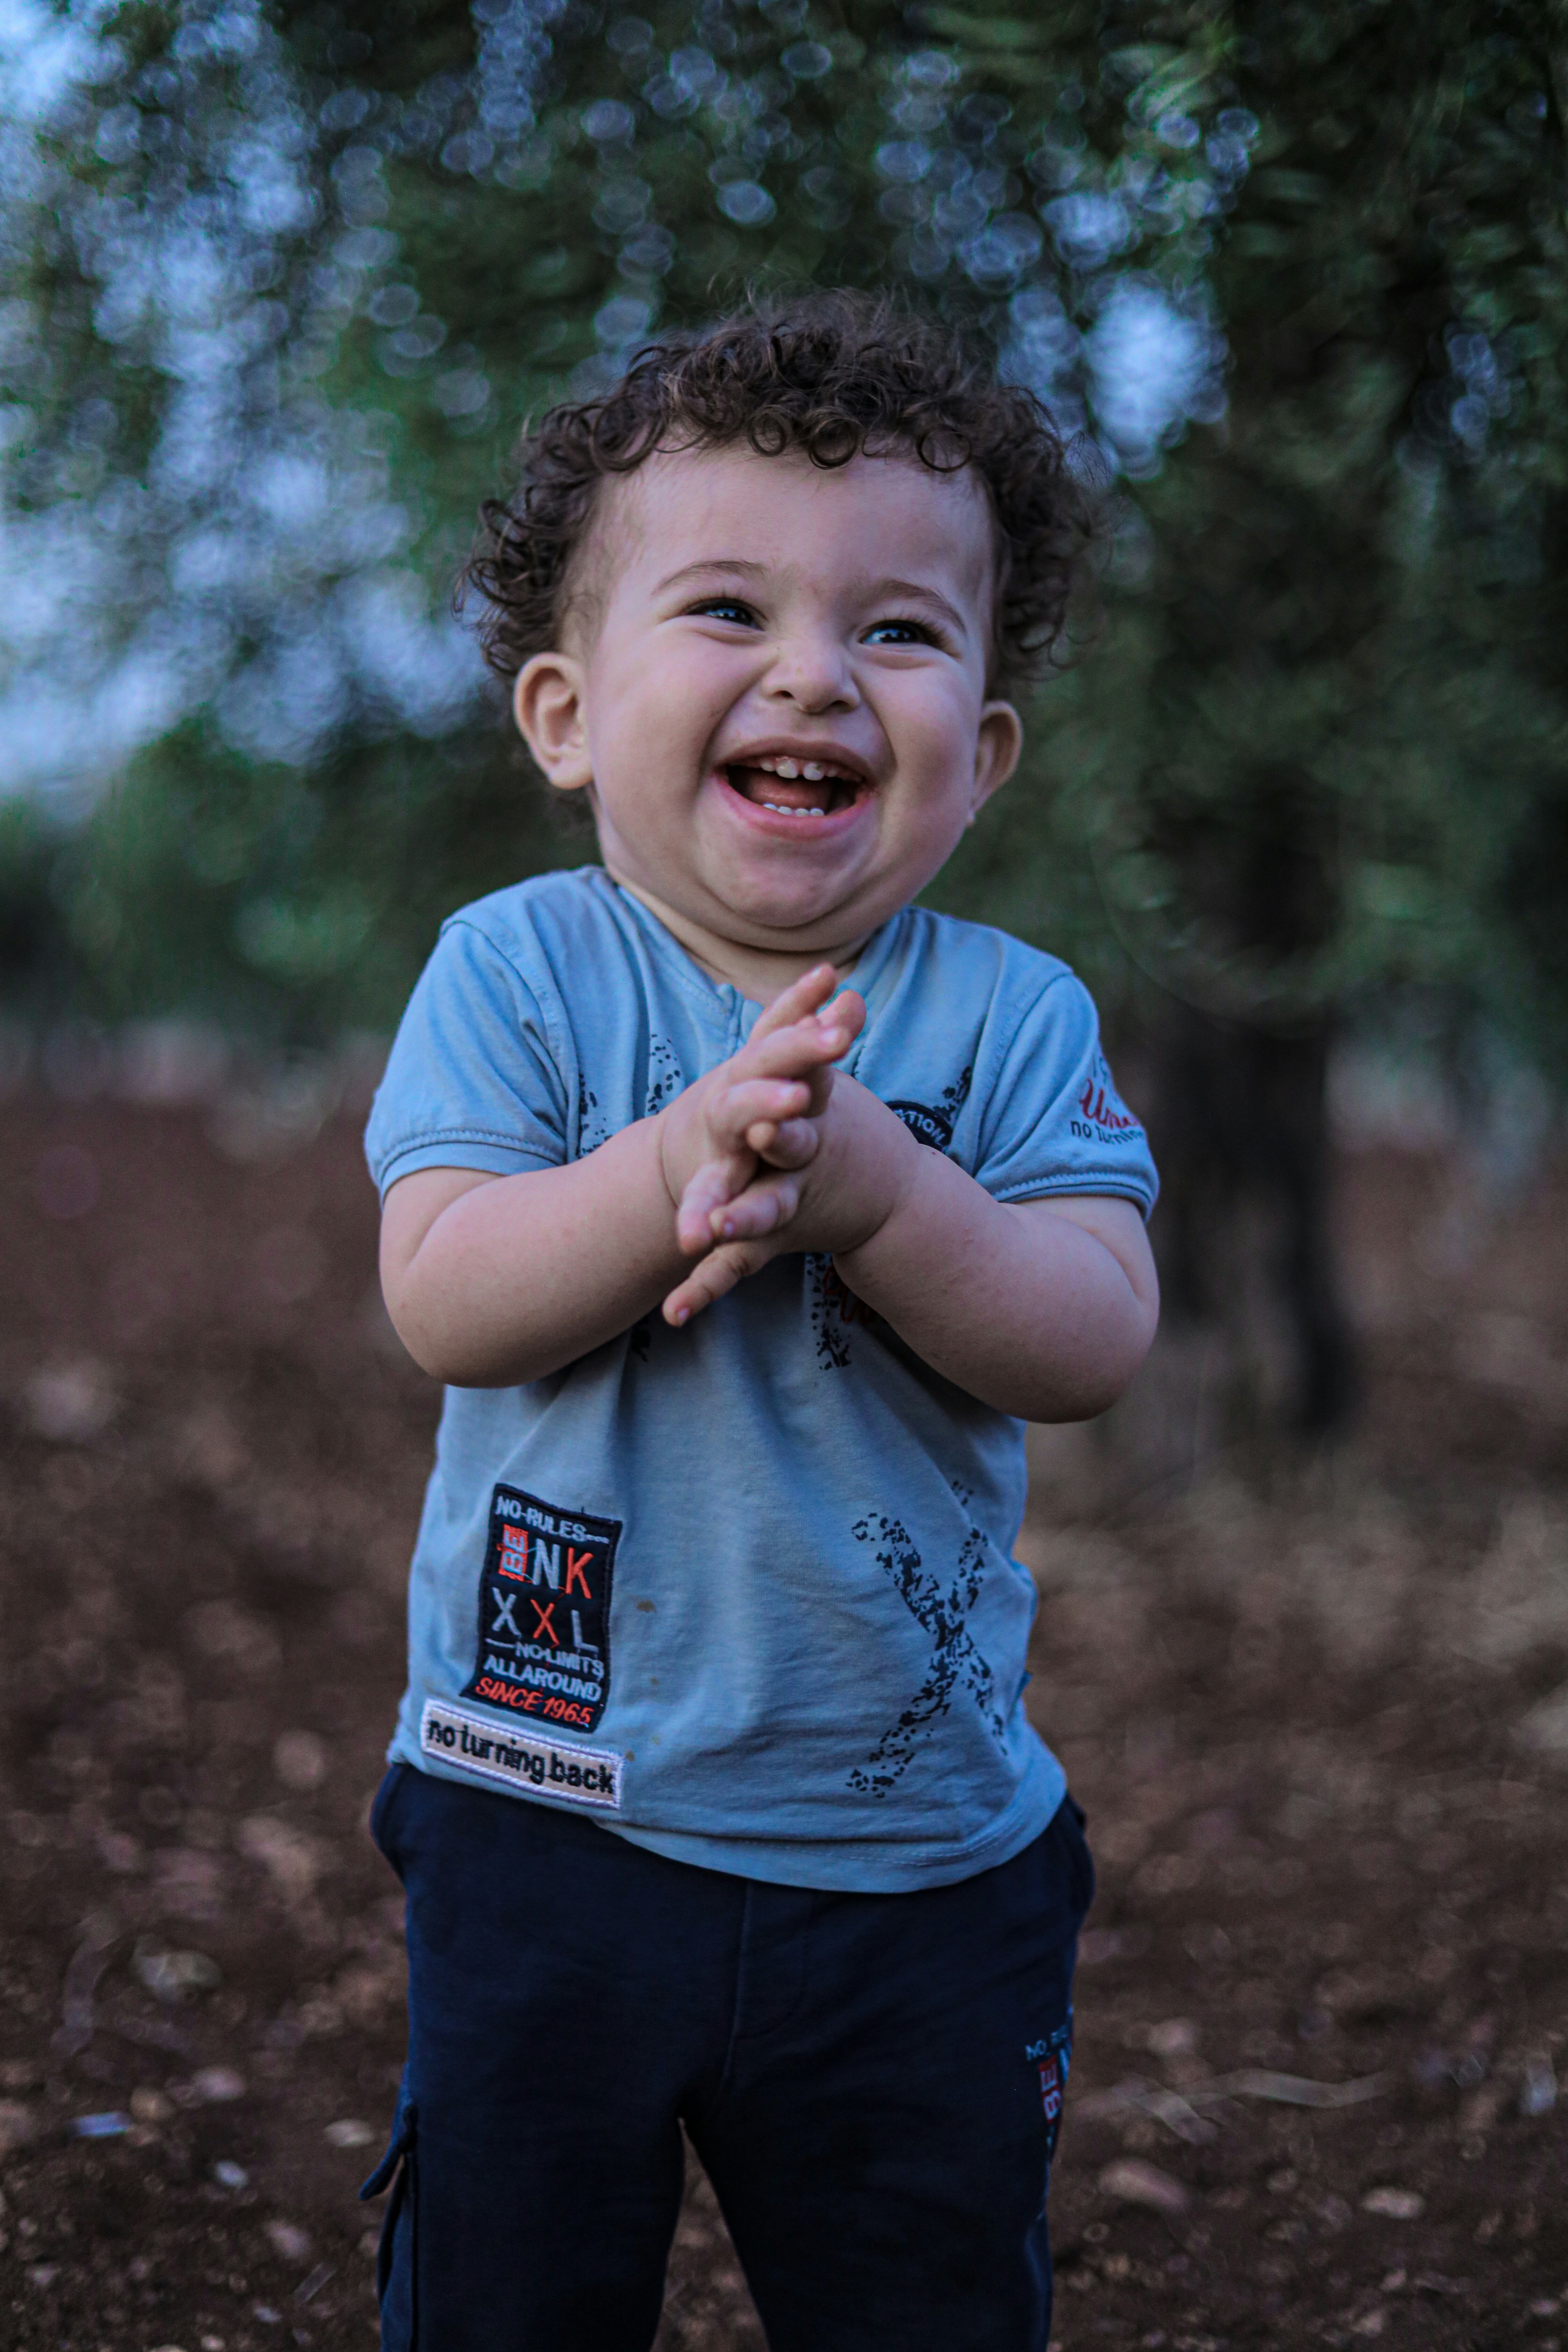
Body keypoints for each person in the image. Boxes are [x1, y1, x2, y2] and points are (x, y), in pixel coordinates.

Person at [358, 290, 1159, 2352]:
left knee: (923, 2301)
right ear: (563, 715)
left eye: (898, 631)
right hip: (545, 1821)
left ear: (976, 753)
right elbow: (446, 1295)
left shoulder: (1007, 1018)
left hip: (920, 1875)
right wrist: (665, 1173)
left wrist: (879, 1192)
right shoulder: (522, 975)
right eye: (727, 609)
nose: (814, 670)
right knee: (510, 2301)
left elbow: (1088, 1337)